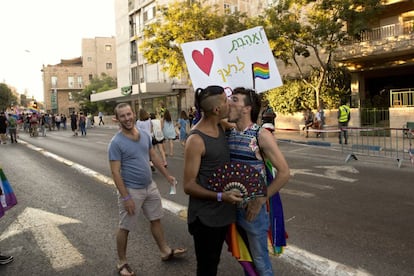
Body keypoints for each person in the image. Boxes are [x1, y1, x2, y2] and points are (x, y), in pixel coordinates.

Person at [108, 103, 186, 276]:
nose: (127, 118)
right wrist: (126, 197)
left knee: (156, 219)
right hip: (131, 190)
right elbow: (115, 172)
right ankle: (122, 262)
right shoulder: (116, 142)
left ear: (133, 114)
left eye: (129, 114)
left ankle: (165, 251)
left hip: (149, 186)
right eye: (122, 116)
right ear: (117, 119)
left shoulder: (144, 135)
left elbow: (153, 156)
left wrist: (167, 175)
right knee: (125, 227)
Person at [226, 87, 290, 276]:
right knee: (245, 259)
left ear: (247, 108)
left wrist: (261, 199)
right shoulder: (229, 132)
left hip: (253, 212)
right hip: (230, 209)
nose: (229, 102)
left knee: (261, 263)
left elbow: (285, 173)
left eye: (234, 100)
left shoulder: (261, 135)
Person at [183, 85, 243, 276]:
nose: (229, 102)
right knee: (207, 268)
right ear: (217, 109)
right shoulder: (196, 140)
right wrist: (220, 196)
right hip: (206, 219)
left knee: (218, 261)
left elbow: (240, 129)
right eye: (226, 100)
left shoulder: (220, 125)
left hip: (225, 213)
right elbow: (188, 185)